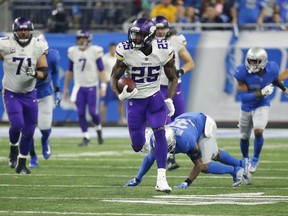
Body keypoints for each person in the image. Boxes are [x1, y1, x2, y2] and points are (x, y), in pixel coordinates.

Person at [110, 18, 178, 193]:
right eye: (134, 34)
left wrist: (169, 98)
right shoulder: (126, 50)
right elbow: (113, 78)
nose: (135, 38)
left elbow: (173, 77)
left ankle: (161, 179)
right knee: (137, 146)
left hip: (155, 97)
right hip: (135, 102)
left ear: (149, 36)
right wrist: (120, 95)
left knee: (161, 133)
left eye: (139, 35)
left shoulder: (163, 50)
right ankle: (146, 138)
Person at [125, 112, 252, 188]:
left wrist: (187, 182)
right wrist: (138, 178)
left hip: (203, 123)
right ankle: (241, 163)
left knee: (205, 165)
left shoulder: (186, 141)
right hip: (187, 120)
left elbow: (199, 164)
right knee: (214, 153)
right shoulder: (157, 137)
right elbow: (150, 158)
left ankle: (235, 170)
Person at [0, 17, 49, 174]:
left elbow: (45, 73)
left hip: (29, 93)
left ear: (30, 30)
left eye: (25, 29)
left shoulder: (37, 45)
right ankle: (13, 148)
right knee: (17, 124)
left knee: (29, 130)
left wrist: (35, 73)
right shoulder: (5, 44)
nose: (23, 32)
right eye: (20, 29)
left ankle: (22, 163)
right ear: (15, 31)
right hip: (11, 92)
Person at [234, 47, 288, 173]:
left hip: (262, 104)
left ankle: (255, 159)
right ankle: (245, 159)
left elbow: (274, 79)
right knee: (244, 137)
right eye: (250, 61)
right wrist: (260, 93)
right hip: (247, 106)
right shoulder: (241, 72)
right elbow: (243, 98)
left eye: (255, 61)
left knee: (258, 131)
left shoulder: (272, 68)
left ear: (263, 61)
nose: (252, 64)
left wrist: (284, 89)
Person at [152, 15, 195, 171]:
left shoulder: (176, 40)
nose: (160, 31)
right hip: (158, 87)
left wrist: (181, 71)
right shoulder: (147, 42)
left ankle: (183, 152)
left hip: (175, 86)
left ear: (167, 28)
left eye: (162, 28)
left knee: (179, 122)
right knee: (166, 122)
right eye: (157, 28)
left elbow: (190, 62)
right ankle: (169, 157)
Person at [63, 29, 107, 146]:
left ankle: (98, 128)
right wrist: (66, 87)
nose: (81, 40)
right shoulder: (73, 51)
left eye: (84, 38)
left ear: (88, 39)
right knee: (81, 113)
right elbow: (69, 71)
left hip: (92, 86)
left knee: (93, 112)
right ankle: (86, 137)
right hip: (79, 87)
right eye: (79, 38)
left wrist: (103, 86)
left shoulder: (95, 51)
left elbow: (102, 70)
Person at [29, 32, 62, 168]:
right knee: (27, 129)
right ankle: (33, 157)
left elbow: (54, 72)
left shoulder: (52, 55)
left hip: (44, 93)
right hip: (27, 94)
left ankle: (44, 140)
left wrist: (57, 90)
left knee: (45, 127)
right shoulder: (23, 55)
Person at [100, 43, 125, 124]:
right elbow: (101, 72)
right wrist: (103, 86)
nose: (112, 50)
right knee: (105, 102)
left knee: (121, 101)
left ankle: (121, 120)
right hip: (108, 82)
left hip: (119, 82)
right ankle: (102, 120)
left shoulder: (120, 58)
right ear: (109, 48)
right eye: (111, 48)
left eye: (114, 48)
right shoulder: (104, 58)